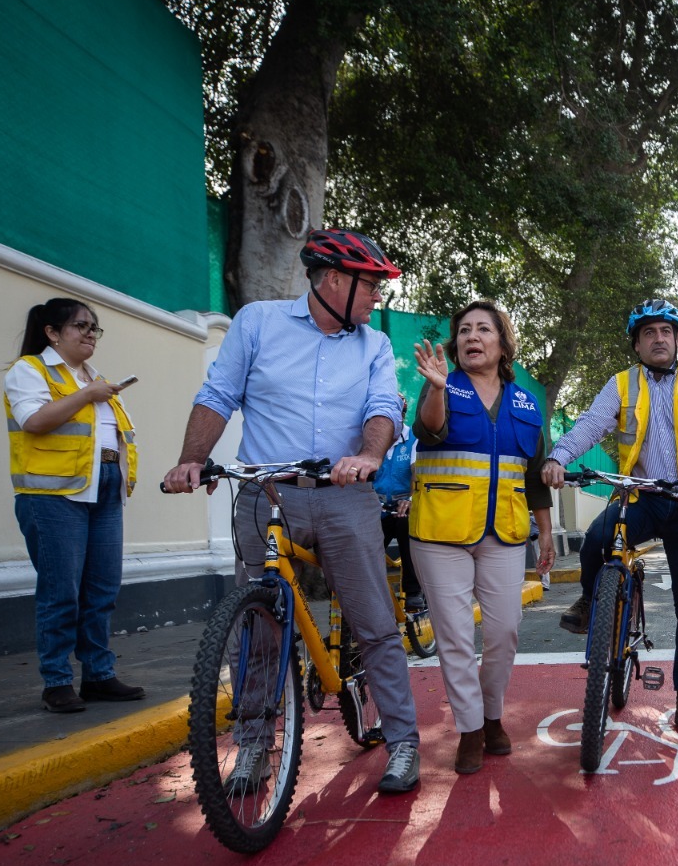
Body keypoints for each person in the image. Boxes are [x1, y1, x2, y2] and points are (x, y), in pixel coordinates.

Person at [162, 228, 423, 795]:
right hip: (266, 492)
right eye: (370, 285)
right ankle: (255, 744)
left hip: (344, 494)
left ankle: (403, 741)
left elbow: (383, 407)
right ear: (333, 280)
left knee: (374, 621)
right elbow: (218, 394)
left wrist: (369, 456)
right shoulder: (257, 322)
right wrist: (191, 460)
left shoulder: (373, 344)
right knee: (257, 628)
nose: (377, 296)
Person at [541, 298, 678, 735]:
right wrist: (558, 456)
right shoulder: (622, 384)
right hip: (639, 495)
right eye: (648, 333)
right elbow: (591, 424)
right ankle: (592, 600)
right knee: (595, 539)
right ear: (637, 345)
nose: (658, 338)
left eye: (666, 331)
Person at [409, 300, 555, 774]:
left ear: (502, 342)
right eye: (465, 330)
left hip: (505, 532)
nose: (473, 336)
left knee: (505, 631)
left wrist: (547, 532)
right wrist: (435, 389)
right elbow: (429, 433)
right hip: (440, 531)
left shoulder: (526, 403)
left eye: (483, 329)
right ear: (456, 344)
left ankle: (494, 715)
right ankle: (471, 730)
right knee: (453, 635)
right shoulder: (441, 386)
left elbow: (534, 475)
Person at [4, 298, 145, 713]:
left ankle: (99, 676)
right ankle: (57, 682)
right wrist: (88, 394)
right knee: (61, 591)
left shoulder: (92, 377)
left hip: (103, 490)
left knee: (101, 590)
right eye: (80, 326)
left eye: (94, 328)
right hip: (53, 496)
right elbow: (35, 421)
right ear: (52, 332)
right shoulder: (30, 370)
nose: (89, 334)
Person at [373, 424, 426, 614]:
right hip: (377, 508)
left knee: (406, 524)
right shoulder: (371, 437)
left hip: (405, 505)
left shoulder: (414, 437)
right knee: (363, 543)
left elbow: (416, 471)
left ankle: (413, 591)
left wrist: (411, 499)